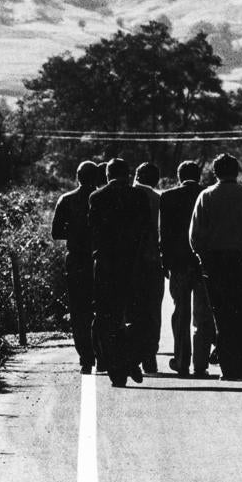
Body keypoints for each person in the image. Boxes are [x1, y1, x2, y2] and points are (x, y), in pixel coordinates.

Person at [190, 153, 242, 380]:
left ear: (215, 172)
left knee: (222, 315)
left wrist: (204, 257)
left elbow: (195, 235)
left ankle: (227, 366)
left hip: (216, 263)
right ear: (237, 171)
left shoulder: (206, 196)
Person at [89, 158, 152, 387]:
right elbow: (147, 231)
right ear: (127, 174)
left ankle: (115, 364)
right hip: (134, 265)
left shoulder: (96, 197)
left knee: (108, 317)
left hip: (106, 266)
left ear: (107, 175)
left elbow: (93, 233)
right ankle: (132, 358)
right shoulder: (139, 196)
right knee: (137, 315)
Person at [159, 160, 214, 377]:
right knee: (203, 314)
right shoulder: (206, 194)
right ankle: (201, 364)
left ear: (179, 176)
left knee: (180, 312)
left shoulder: (168, 196)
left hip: (178, 263)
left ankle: (182, 361)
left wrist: (165, 261)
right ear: (199, 176)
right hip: (202, 263)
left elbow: (163, 233)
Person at [51, 160, 101, 374]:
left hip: (76, 259)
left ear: (77, 177)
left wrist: (74, 233)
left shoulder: (67, 199)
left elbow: (56, 233)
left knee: (79, 311)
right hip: (99, 259)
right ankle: (103, 353)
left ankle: (86, 359)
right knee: (102, 308)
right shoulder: (102, 199)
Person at [132, 162, 164, 374]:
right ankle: (149, 356)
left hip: (128, 261)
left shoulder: (126, 194)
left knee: (131, 310)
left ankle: (130, 353)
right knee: (152, 310)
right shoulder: (158, 199)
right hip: (152, 260)